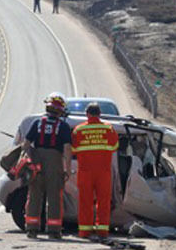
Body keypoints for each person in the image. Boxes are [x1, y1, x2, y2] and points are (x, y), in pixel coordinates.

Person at [21, 93, 73, 239]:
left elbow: (25, 144)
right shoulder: (63, 126)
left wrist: (28, 160)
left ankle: (31, 229)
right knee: (54, 197)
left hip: (36, 162)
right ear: (60, 110)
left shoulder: (37, 123)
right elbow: (67, 148)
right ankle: (54, 231)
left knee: (34, 195)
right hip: (54, 162)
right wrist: (67, 169)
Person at [71, 102, 119, 240]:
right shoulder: (108, 129)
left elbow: (73, 149)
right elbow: (115, 146)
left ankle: (84, 232)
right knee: (103, 201)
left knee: (85, 201)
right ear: (99, 114)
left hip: (85, 171)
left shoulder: (78, 130)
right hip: (103, 172)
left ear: (87, 114)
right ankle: (102, 231)